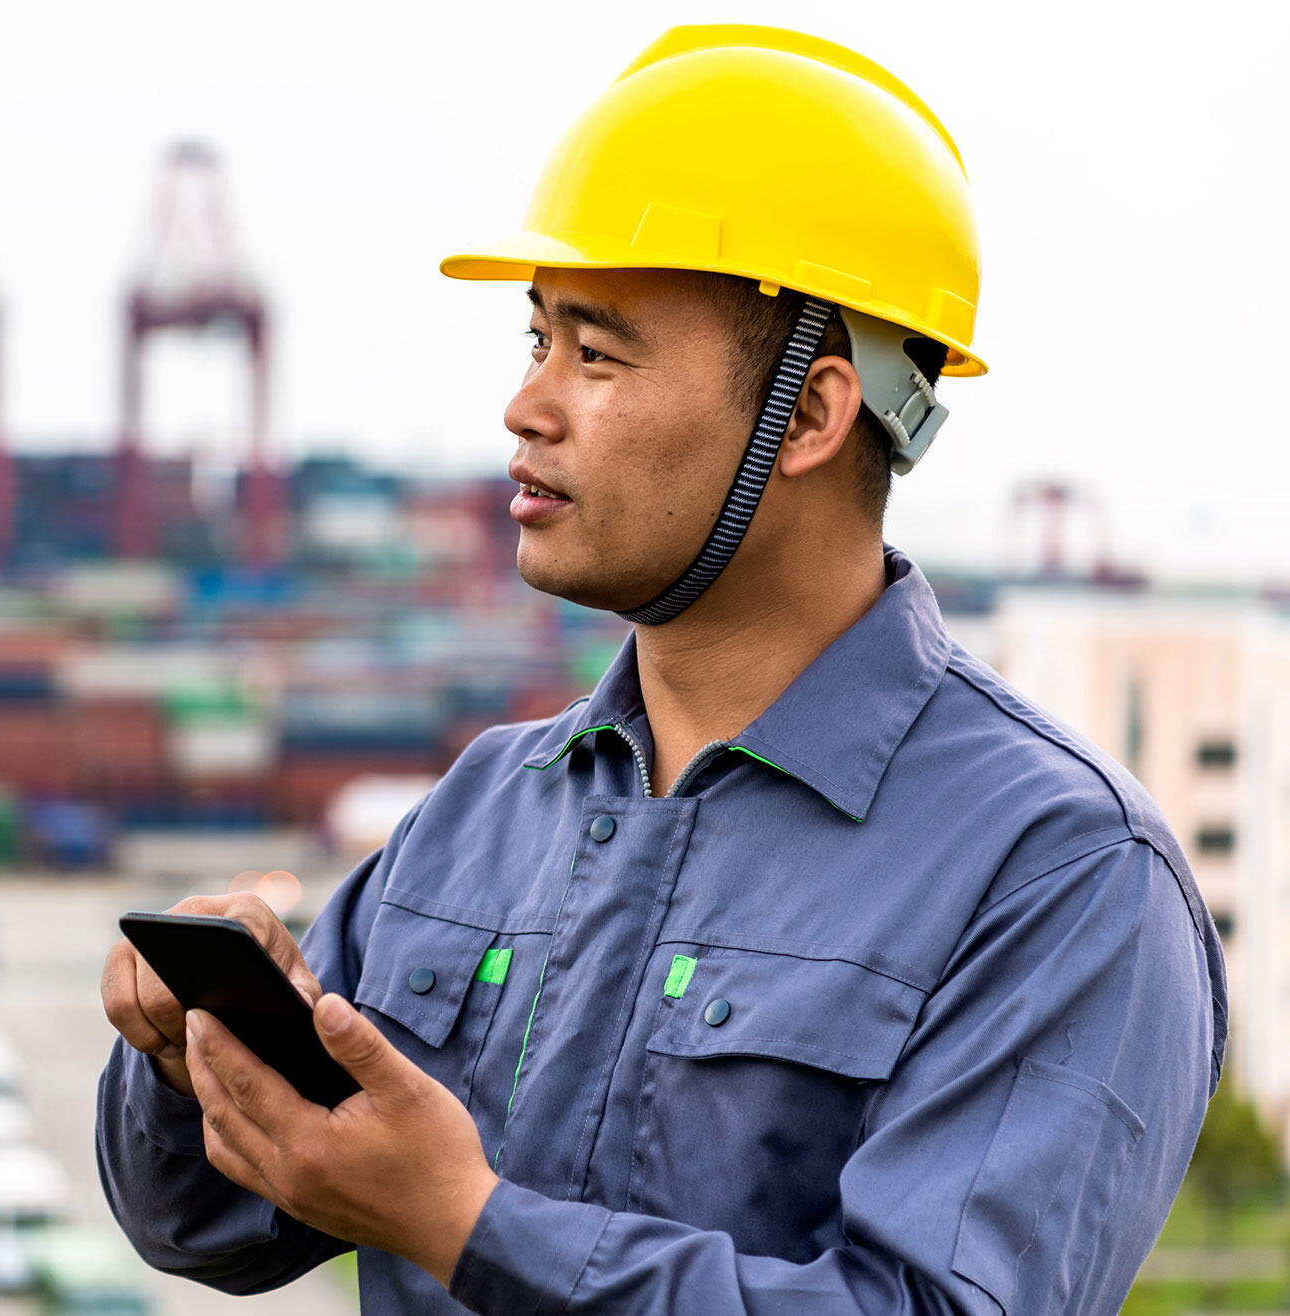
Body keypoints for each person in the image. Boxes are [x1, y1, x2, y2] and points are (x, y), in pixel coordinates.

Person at [94, 25, 1225, 1315]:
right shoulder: (488, 807)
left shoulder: (1061, 872)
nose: (528, 405)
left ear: (810, 413)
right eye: (535, 342)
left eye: (598, 351)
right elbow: (213, 1232)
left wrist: (466, 1225)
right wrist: (195, 1072)